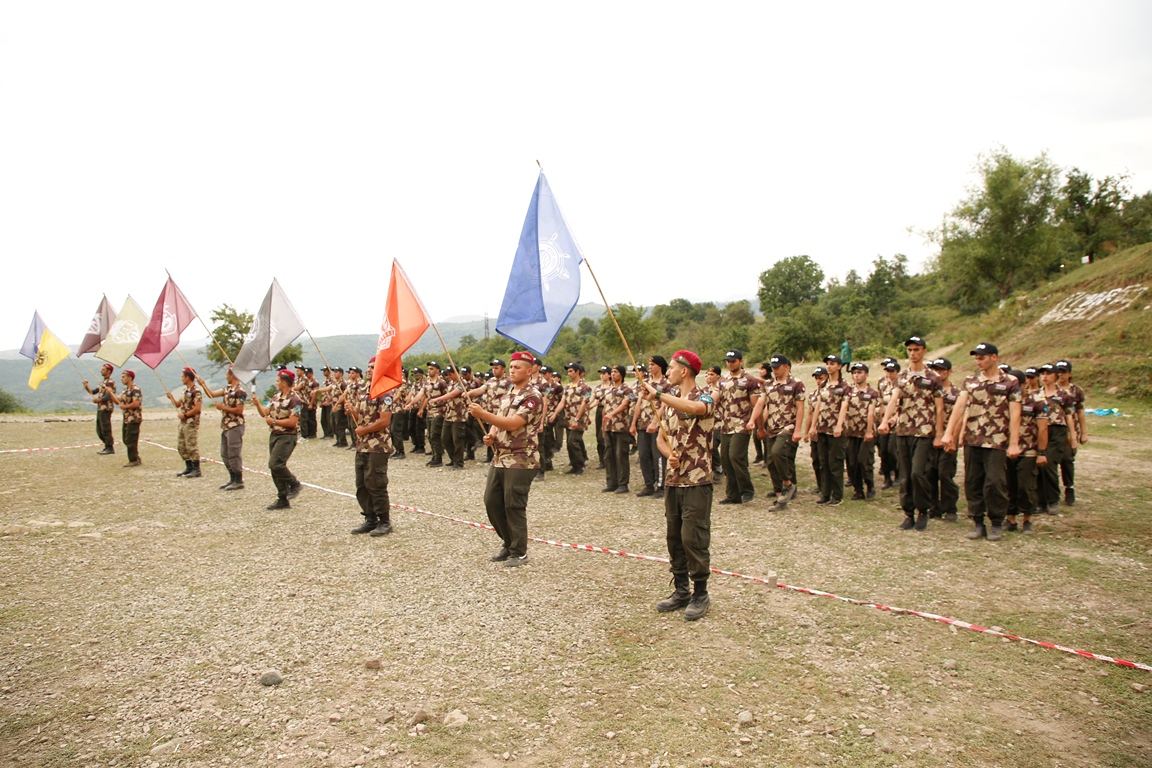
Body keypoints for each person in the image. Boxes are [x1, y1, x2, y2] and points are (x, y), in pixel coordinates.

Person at [644, 349, 715, 621]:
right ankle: (681, 589)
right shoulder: (669, 401)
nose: (669, 372)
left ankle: (701, 593)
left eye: (672, 368)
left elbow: (696, 409)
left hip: (696, 480)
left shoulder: (707, 395)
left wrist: (659, 395)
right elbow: (661, 438)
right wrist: (668, 454)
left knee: (693, 537)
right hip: (674, 480)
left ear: (684, 371)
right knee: (674, 537)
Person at [468, 351, 542, 567]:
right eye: (511, 367)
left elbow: (513, 423)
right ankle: (509, 543)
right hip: (501, 456)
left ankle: (519, 551)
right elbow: (500, 419)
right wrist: (491, 434)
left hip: (521, 458)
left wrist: (482, 414)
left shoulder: (532, 397)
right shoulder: (509, 393)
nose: (512, 370)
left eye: (517, 367)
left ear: (529, 371)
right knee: (491, 501)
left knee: (513, 504)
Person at [942, 342, 1022, 542]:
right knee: (972, 482)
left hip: (997, 441)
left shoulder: (1010, 382)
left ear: (994, 357)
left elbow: (1015, 414)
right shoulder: (970, 381)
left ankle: (996, 522)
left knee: (995, 482)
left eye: (982, 357)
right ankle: (977, 522)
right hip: (973, 439)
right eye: (976, 358)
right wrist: (949, 433)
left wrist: (1014, 443)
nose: (978, 361)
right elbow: (959, 407)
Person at [878, 336, 942, 531]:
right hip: (904, 430)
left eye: (916, 349)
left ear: (923, 351)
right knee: (905, 475)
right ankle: (908, 513)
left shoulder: (933, 377)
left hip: (924, 431)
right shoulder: (902, 376)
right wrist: (885, 421)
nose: (913, 353)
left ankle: (923, 510)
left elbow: (939, 408)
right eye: (910, 350)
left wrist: (939, 434)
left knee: (917, 472)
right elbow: (894, 399)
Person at [749, 355, 805, 510]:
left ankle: (788, 483)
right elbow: (761, 403)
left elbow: (800, 408)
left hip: (788, 426)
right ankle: (780, 495)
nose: (774, 370)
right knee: (771, 461)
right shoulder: (768, 384)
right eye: (772, 367)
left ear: (786, 367)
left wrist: (798, 430)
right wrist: (753, 420)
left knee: (777, 452)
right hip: (772, 427)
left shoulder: (796, 384)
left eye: (777, 367)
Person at [347, 362, 397, 536]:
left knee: (376, 483)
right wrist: (352, 410)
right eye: (368, 367)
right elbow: (361, 417)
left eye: (373, 367)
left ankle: (384, 521)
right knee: (361, 484)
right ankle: (370, 519)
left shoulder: (385, 393)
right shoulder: (364, 391)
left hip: (378, 445)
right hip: (363, 445)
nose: (369, 369)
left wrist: (364, 430)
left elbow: (384, 421)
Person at [252, 369, 304, 510]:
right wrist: (257, 404)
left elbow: (293, 422)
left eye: (278, 380)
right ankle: (282, 498)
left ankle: (294, 484)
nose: (276, 382)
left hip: (287, 436)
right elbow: (265, 413)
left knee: (276, 464)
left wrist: (274, 422)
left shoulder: (295, 400)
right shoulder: (275, 397)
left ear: (284, 382)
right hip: (275, 435)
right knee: (274, 468)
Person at [1005, 367, 1047, 533]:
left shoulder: (1036, 400)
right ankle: (1010, 518)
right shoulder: (1003, 400)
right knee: (1008, 485)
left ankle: (1027, 518)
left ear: (1024, 384)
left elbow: (1043, 428)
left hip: (1029, 450)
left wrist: (1042, 452)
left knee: (1025, 486)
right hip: (1007, 449)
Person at [717, 349, 761, 505]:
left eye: (733, 361)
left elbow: (756, 404)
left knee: (735, 456)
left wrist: (756, 423)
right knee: (725, 460)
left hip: (742, 424)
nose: (730, 364)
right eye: (728, 361)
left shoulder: (750, 380)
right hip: (726, 425)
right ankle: (733, 494)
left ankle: (747, 490)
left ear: (741, 361)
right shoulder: (723, 380)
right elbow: (718, 400)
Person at [1038, 363, 1079, 513]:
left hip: (1057, 431)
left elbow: (1069, 416)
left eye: (1048, 373)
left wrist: (1073, 437)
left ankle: (1053, 500)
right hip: (1040, 430)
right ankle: (1041, 500)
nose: (1045, 377)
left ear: (1055, 376)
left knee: (1049, 464)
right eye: (1042, 374)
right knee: (1039, 465)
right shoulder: (1036, 394)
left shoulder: (1064, 395)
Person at [197, 367, 248, 490]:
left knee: (234, 454)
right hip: (226, 425)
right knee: (224, 454)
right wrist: (203, 384)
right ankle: (232, 478)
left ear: (232, 375)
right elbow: (211, 394)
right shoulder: (226, 389)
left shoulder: (240, 392)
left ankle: (238, 480)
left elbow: (239, 410)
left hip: (235, 425)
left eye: (227, 374)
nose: (226, 376)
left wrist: (223, 407)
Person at [809, 355, 850, 506]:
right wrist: (813, 426)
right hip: (822, 428)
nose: (829, 366)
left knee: (835, 463)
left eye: (832, 363)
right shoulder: (824, 385)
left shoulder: (844, 386)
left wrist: (839, 425)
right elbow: (818, 406)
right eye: (827, 363)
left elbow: (844, 406)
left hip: (836, 430)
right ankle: (825, 494)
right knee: (823, 463)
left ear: (839, 366)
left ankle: (837, 496)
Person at [631, 355, 671, 497]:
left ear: (660, 366)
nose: (650, 367)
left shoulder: (666, 384)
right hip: (643, 424)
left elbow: (665, 404)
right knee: (643, 455)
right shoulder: (644, 383)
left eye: (652, 364)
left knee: (658, 456)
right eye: (649, 364)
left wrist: (655, 422)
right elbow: (638, 404)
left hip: (658, 425)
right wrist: (633, 423)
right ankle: (648, 484)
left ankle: (660, 486)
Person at [927, 358, 960, 520]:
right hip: (929, 437)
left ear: (949, 371)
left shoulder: (957, 393)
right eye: (935, 370)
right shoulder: (928, 390)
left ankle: (950, 508)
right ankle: (934, 507)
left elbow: (960, 417)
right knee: (930, 473)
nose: (939, 373)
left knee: (945, 474)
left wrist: (954, 438)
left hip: (948, 438)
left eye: (942, 370)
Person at [843, 362, 878, 501]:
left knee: (864, 461)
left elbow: (871, 413)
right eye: (854, 373)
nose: (856, 375)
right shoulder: (848, 391)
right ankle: (858, 490)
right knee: (852, 463)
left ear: (866, 374)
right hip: (851, 432)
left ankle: (870, 485)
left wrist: (869, 431)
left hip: (866, 433)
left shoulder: (872, 393)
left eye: (859, 372)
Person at [1054, 359, 1086, 505]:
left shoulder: (1076, 391)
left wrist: (1083, 433)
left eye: (1063, 372)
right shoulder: (1050, 389)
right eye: (1058, 372)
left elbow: (1080, 412)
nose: (1060, 375)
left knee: (1067, 459)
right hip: (1053, 430)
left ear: (1070, 374)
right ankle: (1052, 492)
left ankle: (1069, 488)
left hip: (1069, 431)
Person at [601, 365, 634, 493]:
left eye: (615, 372)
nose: (613, 374)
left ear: (621, 374)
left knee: (621, 455)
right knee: (608, 455)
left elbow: (625, 404)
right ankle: (611, 482)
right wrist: (604, 422)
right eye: (612, 372)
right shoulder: (608, 390)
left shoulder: (628, 390)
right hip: (608, 427)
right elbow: (604, 407)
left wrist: (612, 414)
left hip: (621, 426)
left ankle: (623, 484)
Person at [167, 367, 203, 478]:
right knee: (181, 446)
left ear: (188, 377)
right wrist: (171, 398)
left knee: (191, 445)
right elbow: (178, 404)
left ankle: (196, 469)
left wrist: (185, 415)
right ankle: (189, 467)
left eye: (183, 376)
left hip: (191, 422)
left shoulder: (196, 391)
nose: (181, 378)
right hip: (183, 423)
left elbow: (197, 408)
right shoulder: (185, 391)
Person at [561, 362, 592, 475]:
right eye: (568, 371)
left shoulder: (586, 388)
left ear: (577, 372)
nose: (568, 373)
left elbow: (584, 403)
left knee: (572, 441)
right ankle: (574, 466)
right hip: (569, 418)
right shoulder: (567, 387)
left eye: (571, 371)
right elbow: (562, 402)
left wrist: (577, 418)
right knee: (569, 444)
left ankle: (580, 465)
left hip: (579, 419)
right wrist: (554, 414)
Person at [875, 359, 901, 489]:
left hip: (897, 423)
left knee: (892, 450)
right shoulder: (882, 383)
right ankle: (887, 477)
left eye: (892, 371)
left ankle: (898, 474)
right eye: (887, 371)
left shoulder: (902, 385)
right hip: (883, 422)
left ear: (897, 372)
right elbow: (880, 400)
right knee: (883, 451)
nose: (889, 374)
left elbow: (904, 405)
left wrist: (895, 418)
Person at [109, 370, 142, 467]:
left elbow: (136, 403)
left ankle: (133, 460)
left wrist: (125, 407)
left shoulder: (135, 389)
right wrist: (110, 393)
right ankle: (136, 457)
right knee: (125, 439)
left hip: (134, 418)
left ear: (130, 378)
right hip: (126, 418)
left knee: (131, 439)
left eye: (124, 377)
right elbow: (118, 401)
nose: (121, 379)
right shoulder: (125, 390)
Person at [82, 363, 117, 454]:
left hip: (106, 408)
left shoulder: (110, 382)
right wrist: (86, 386)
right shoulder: (103, 383)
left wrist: (98, 400)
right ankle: (107, 446)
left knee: (105, 428)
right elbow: (93, 392)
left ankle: (109, 447)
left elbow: (108, 396)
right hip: (100, 408)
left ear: (109, 371)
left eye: (103, 369)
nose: (101, 370)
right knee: (99, 430)